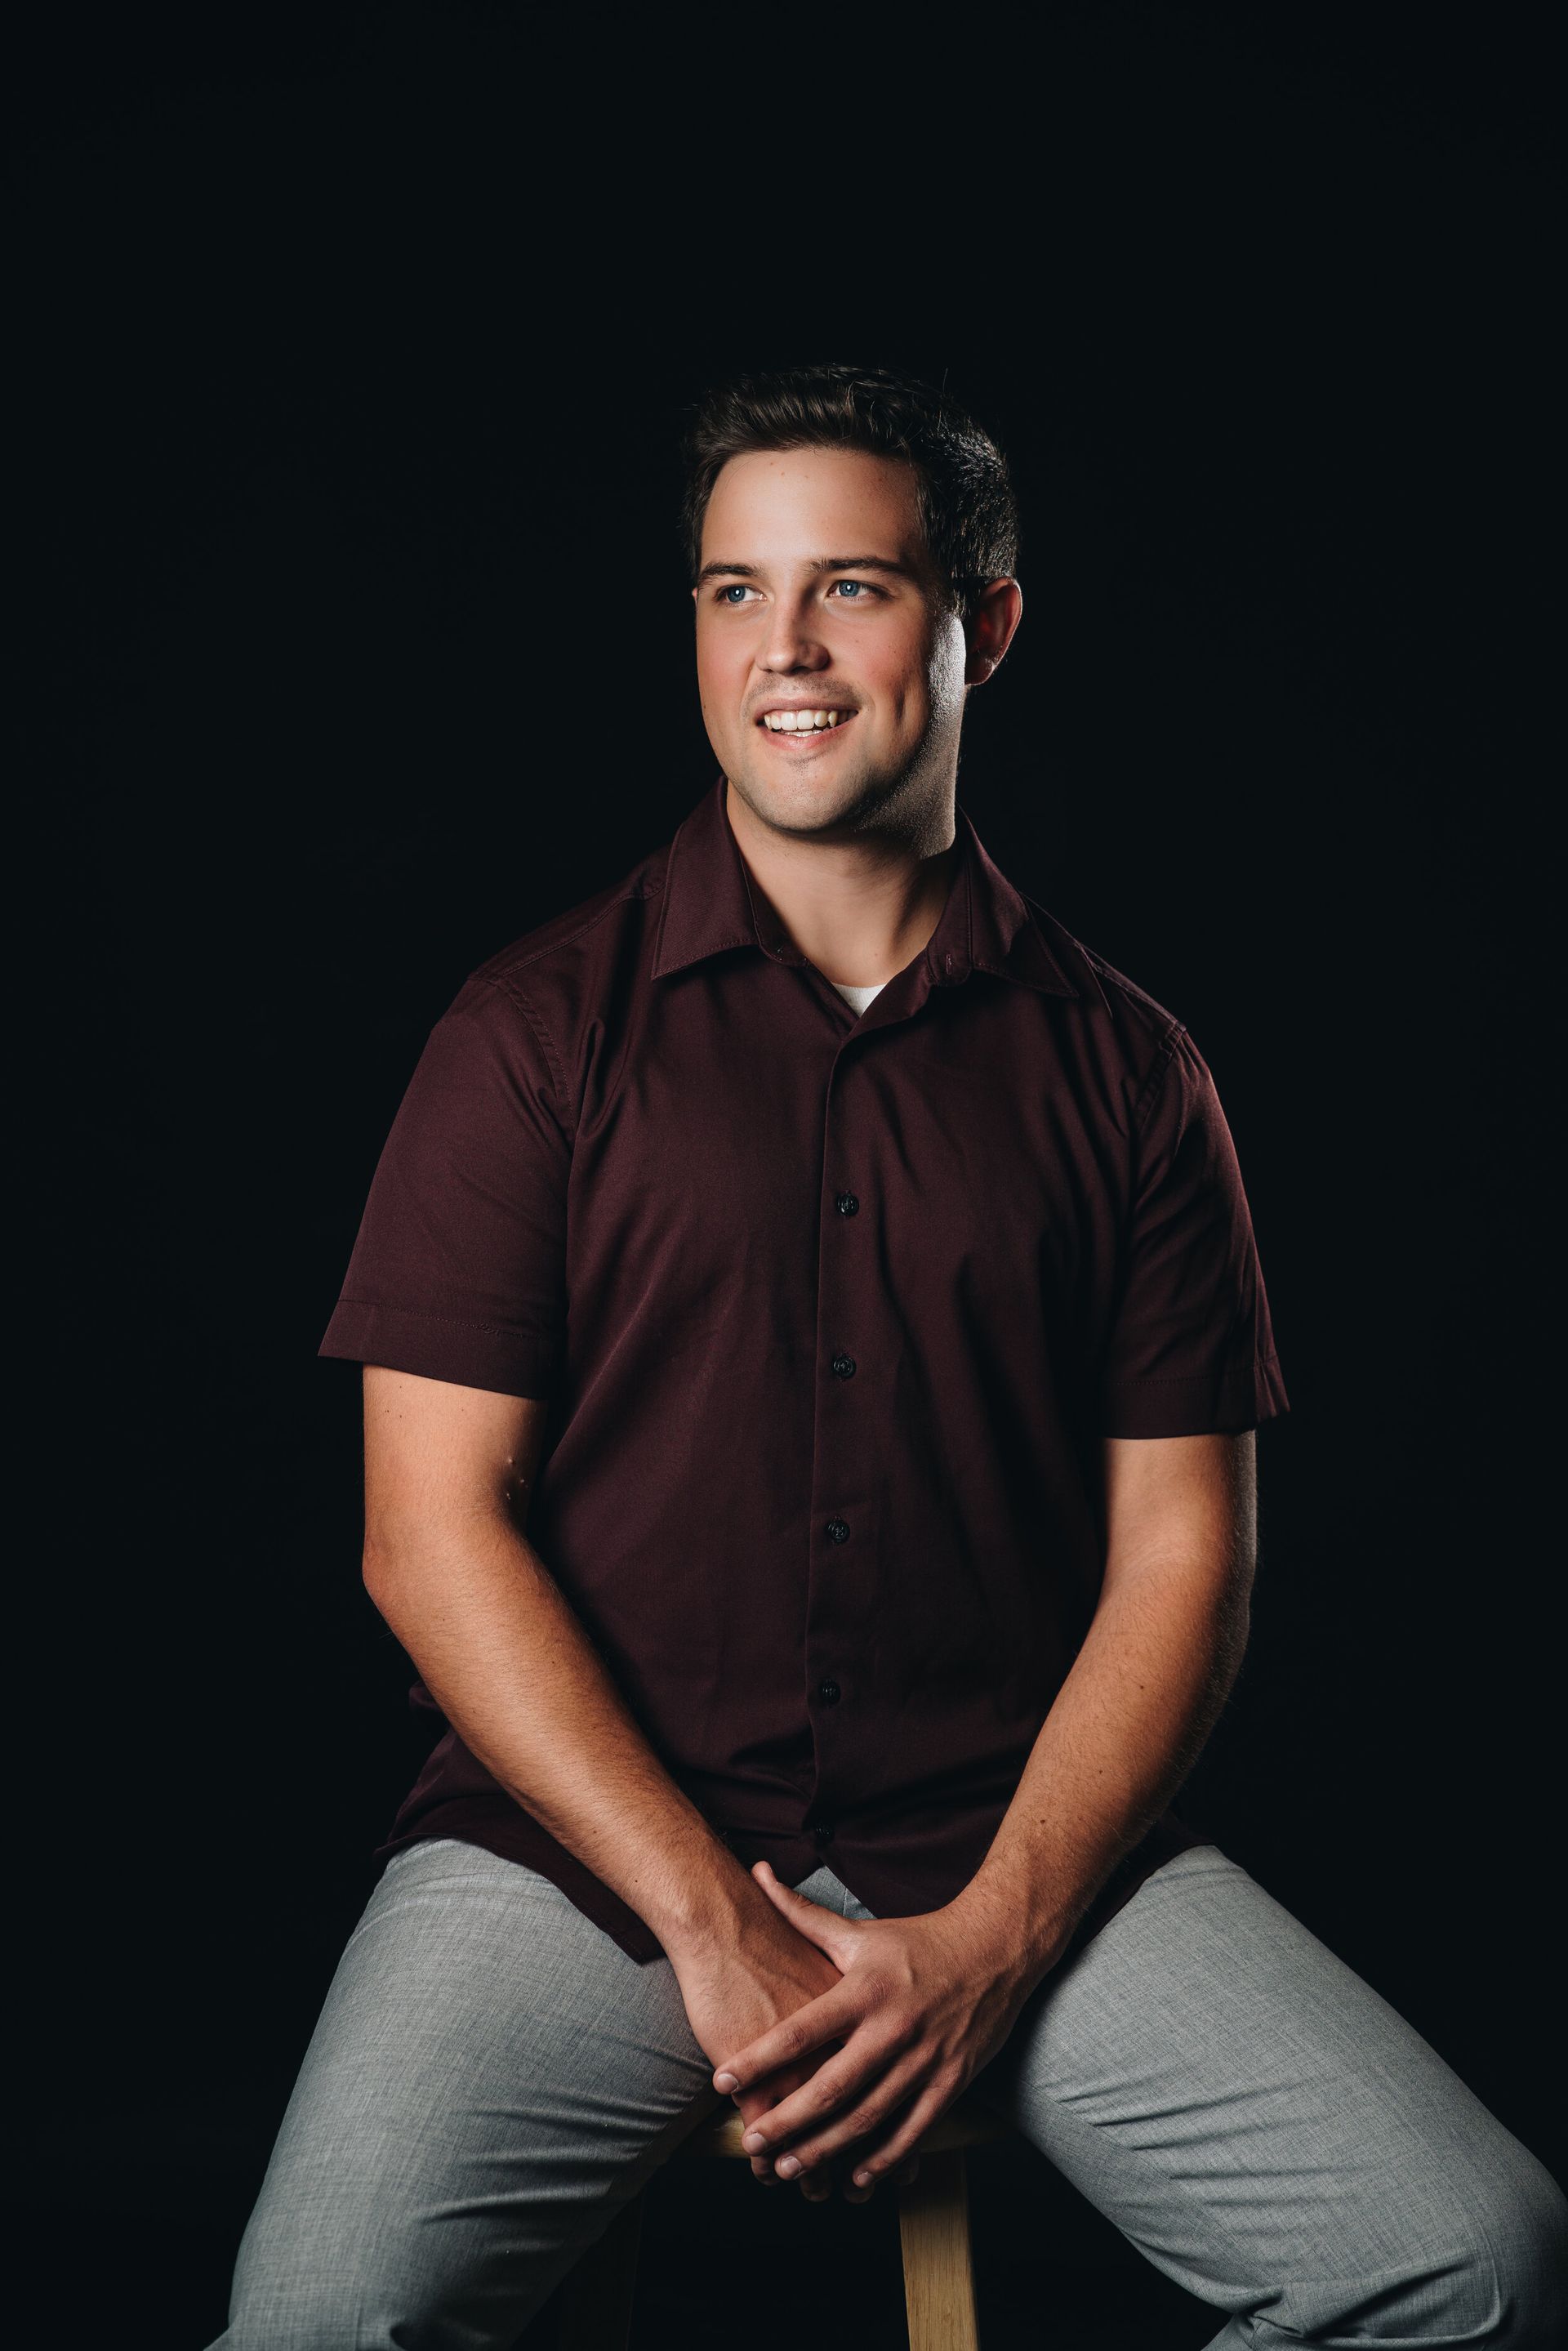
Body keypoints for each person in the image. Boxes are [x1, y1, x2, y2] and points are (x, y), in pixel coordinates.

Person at [209, 364, 1566, 2349]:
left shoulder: (1132, 1072)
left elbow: (1187, 1553)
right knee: (319, 2324)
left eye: (849, 585)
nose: (785, 649)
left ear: (980, 624)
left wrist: (996, 1941)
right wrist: (710, 1918)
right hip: (582, 1850)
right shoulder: (529, 1035)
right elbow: (427, 1534)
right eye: (733, 591)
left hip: (1003, 1836)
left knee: (1476, 2258)